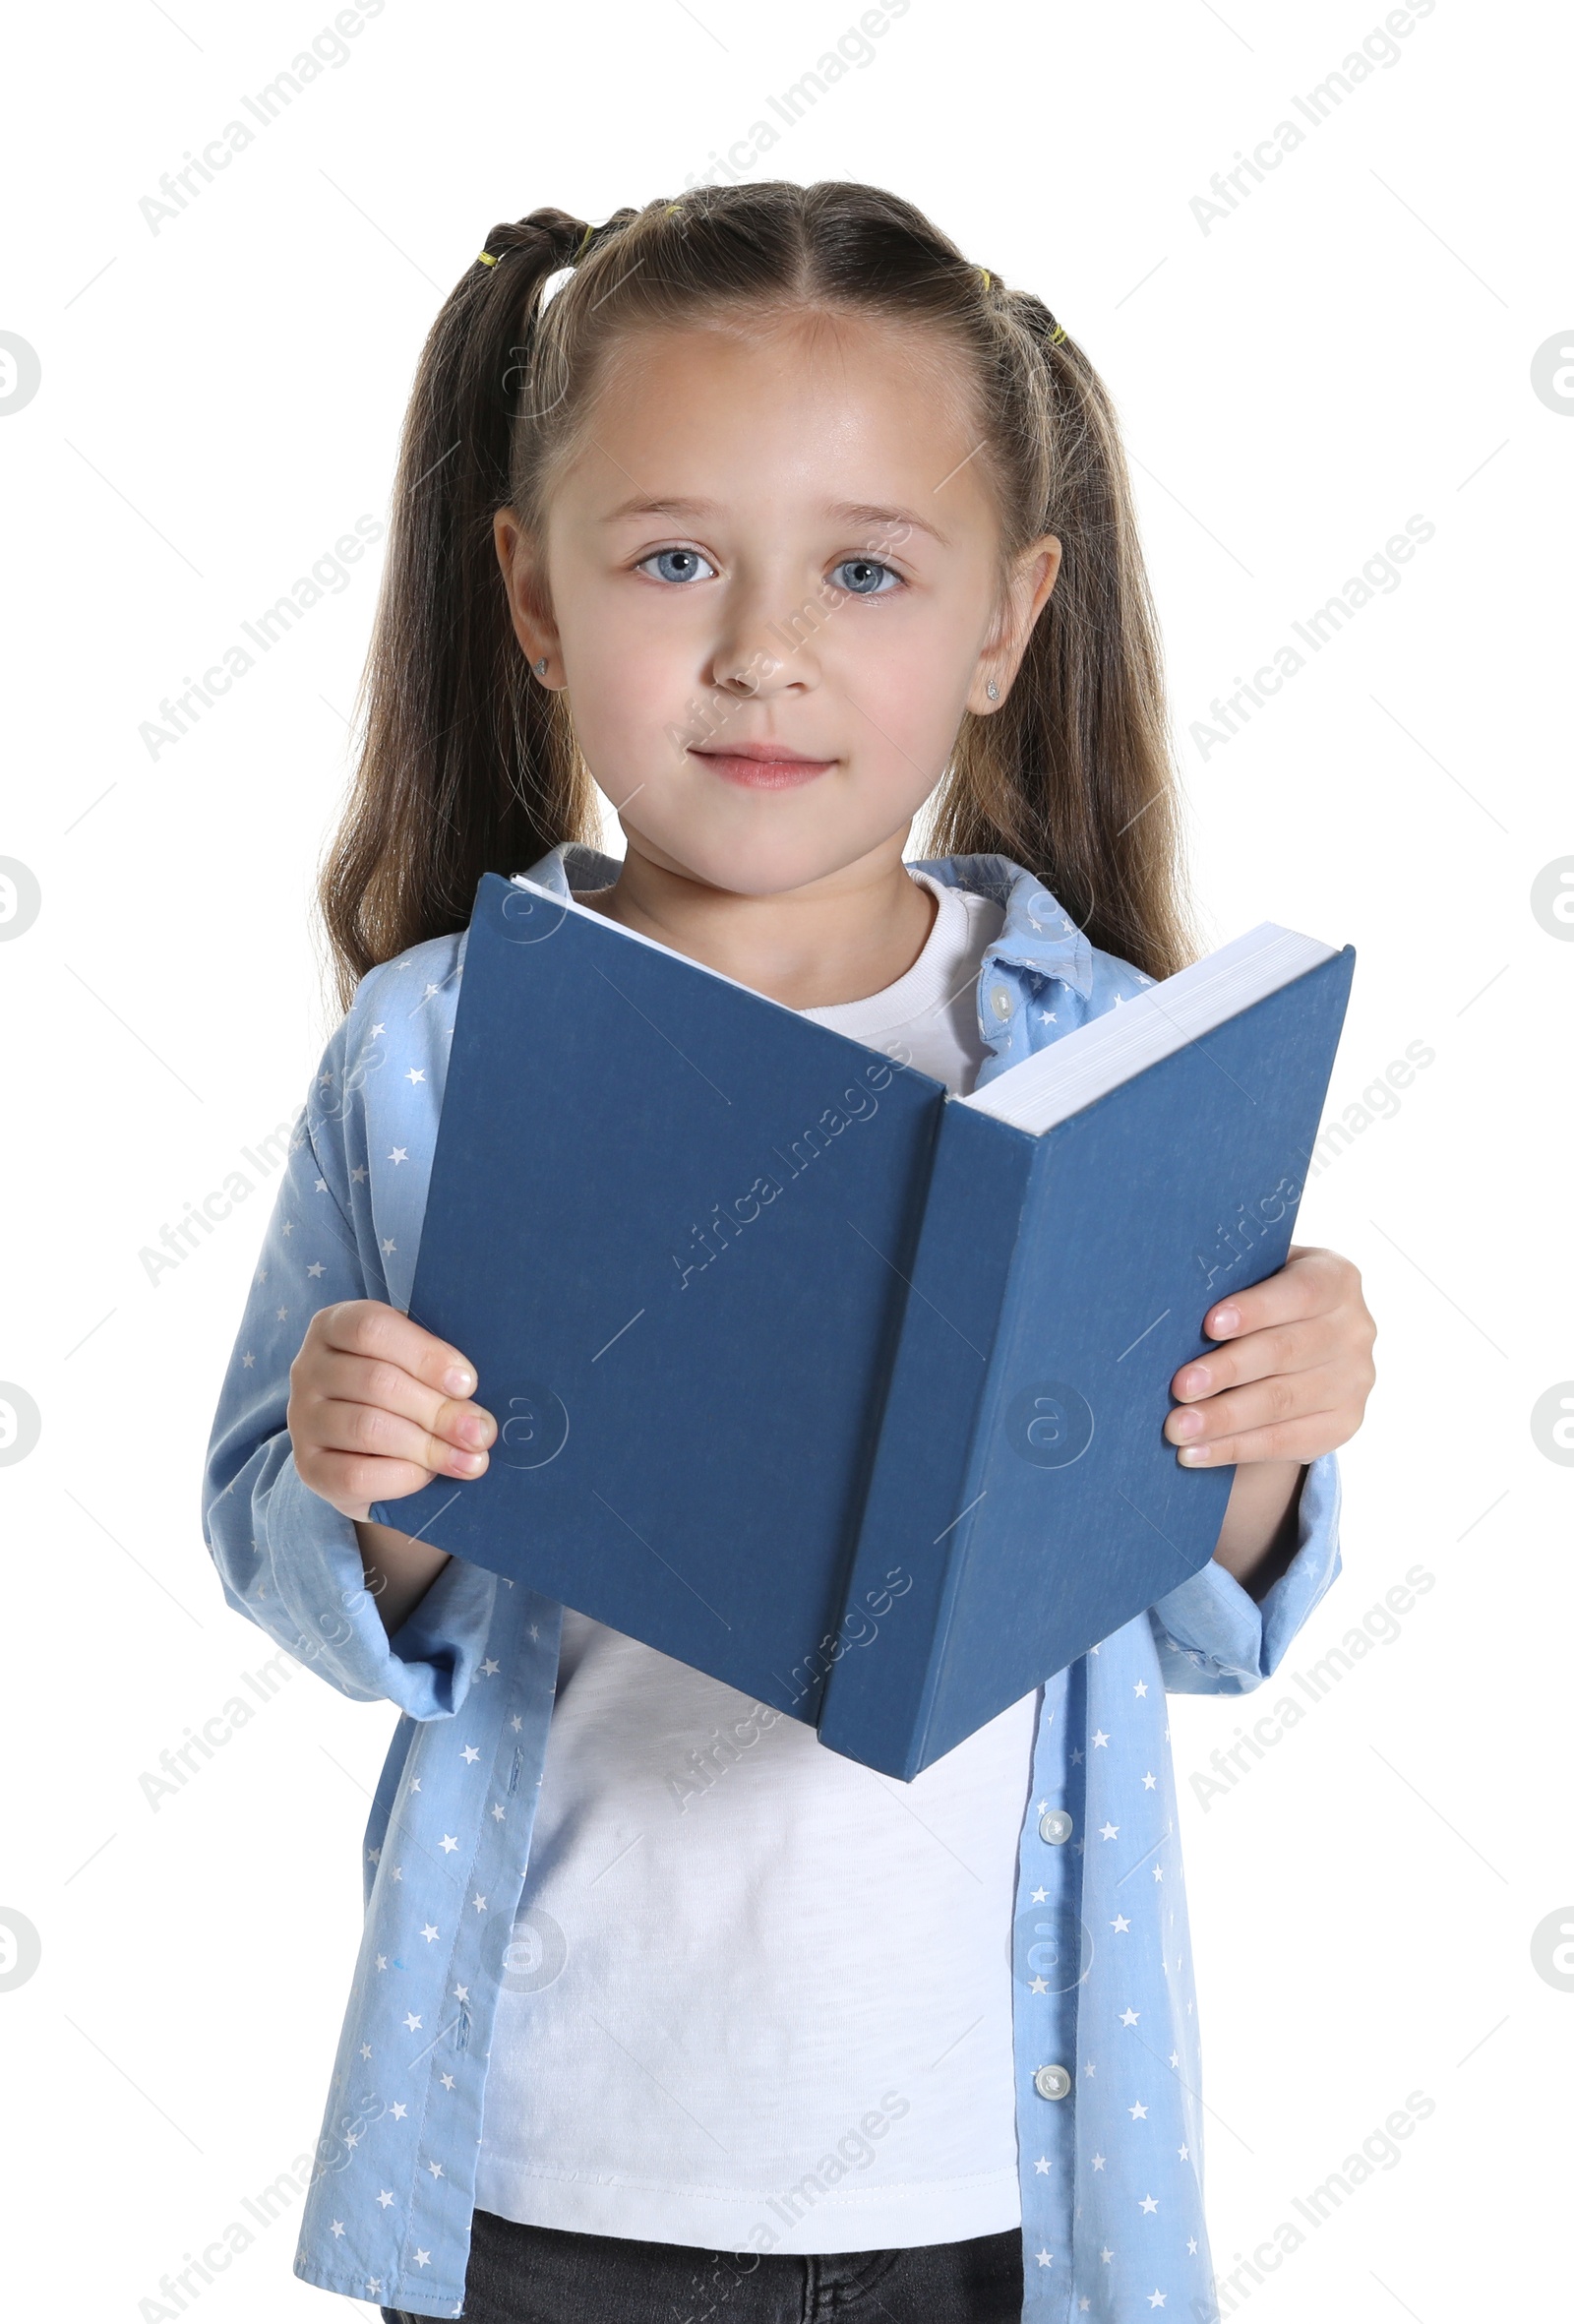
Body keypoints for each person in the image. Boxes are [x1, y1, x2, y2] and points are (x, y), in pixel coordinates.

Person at [202, 181, 1376, 2324]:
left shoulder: (1099, 1057)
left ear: (1006, 620)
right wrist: (357, 1473)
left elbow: (1195, 1628)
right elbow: (298, 1563)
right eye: (671, 560)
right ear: (534, 601)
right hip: (545, 2160)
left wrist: (1269, 1431)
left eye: (862, 569)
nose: (763, 648)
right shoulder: (439, 1051)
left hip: (983, 2166)